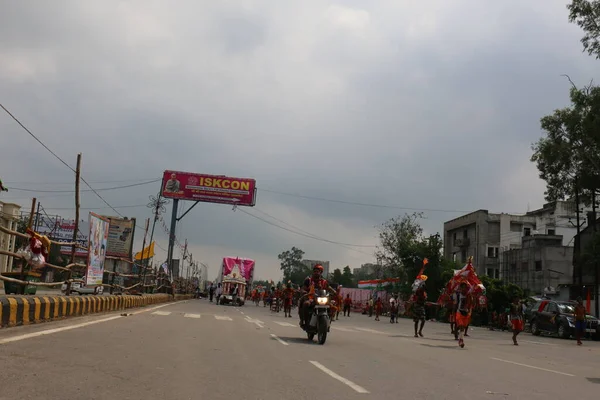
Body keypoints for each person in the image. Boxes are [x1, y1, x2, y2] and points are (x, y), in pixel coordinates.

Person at [455, 282, 473, 348]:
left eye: (464, 288)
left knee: (463, 328)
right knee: (461, 326)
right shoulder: (458, 294)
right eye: (462, 287)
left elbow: (472, 304)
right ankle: (461, 340)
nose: (463, 289)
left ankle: (460, 338)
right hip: (459, 312)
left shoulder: (469, 295)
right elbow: (456, 303)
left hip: (466, 314)